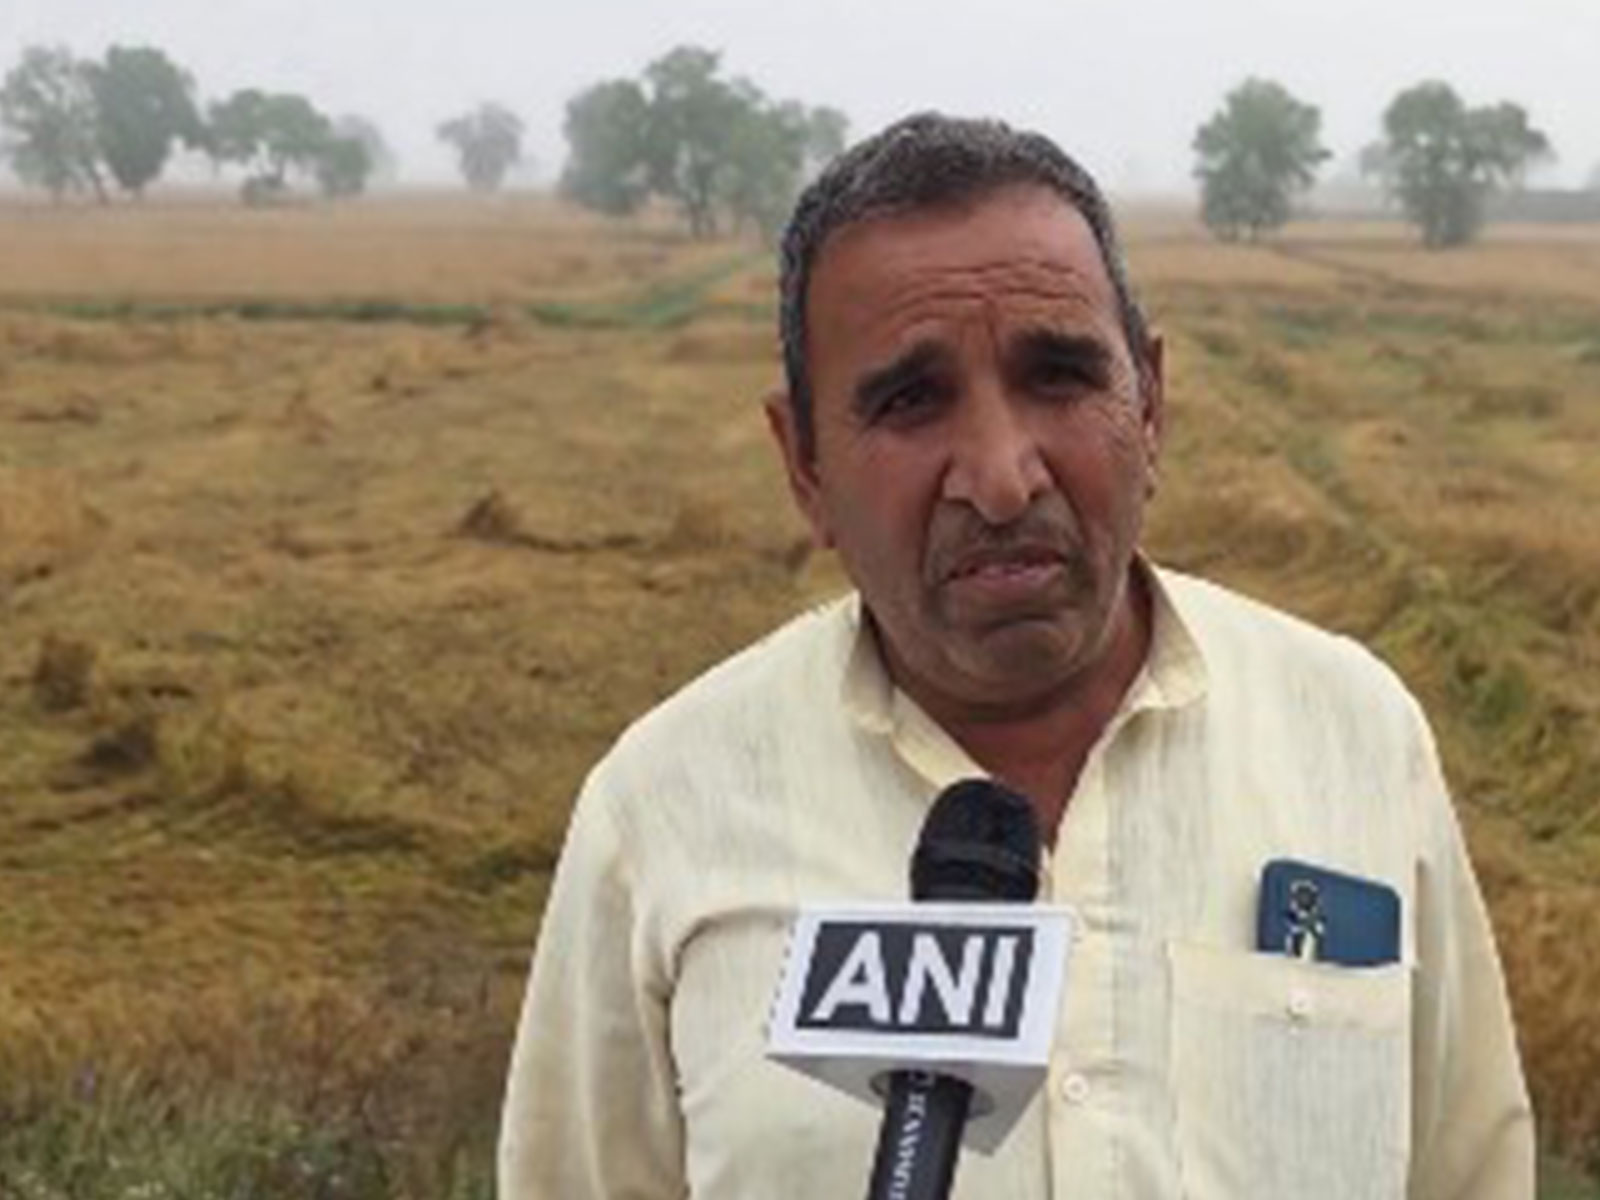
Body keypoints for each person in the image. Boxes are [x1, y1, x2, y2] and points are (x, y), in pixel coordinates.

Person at [498, 113, 1532, 1199]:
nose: (1000, 476)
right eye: (910, 401)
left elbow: (1472, 1172)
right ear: (803, 465)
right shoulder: (660, 807)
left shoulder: (1355, 734)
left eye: (1058, 377)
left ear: (1152, 406)